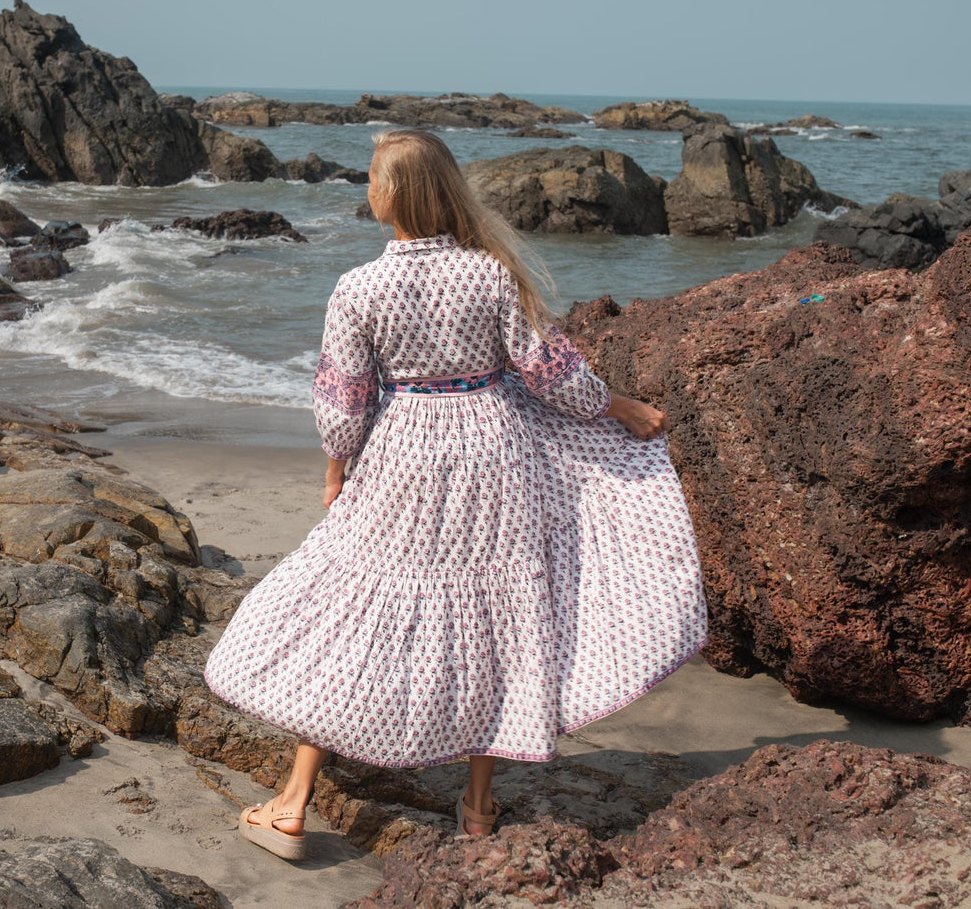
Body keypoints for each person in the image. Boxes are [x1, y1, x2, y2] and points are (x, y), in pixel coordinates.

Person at [202, 129, 707, 860]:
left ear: (392, 195)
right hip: (491, 450)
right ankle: (475, 806)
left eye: (372, 179)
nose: (367, 190)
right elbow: (548, 373)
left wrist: (336, 468)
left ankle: (291, 803)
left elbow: (342, 402)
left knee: (356, 608)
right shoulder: (490, 273)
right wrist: (616, 405)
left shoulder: (359, 287)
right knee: (498, 610)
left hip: (404, 452)